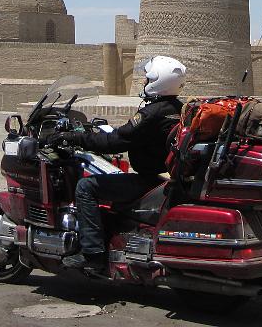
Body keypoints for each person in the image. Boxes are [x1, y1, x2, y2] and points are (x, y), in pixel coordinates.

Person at [57, 55, 185, 270]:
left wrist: (76, 138)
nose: (144, 82)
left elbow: (116, 141)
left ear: (157, 82)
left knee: (85, 187)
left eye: (147, 79)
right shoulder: (176, 108)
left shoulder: (151, 113)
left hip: (146, 179)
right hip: (160, 176)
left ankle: (92, 254)